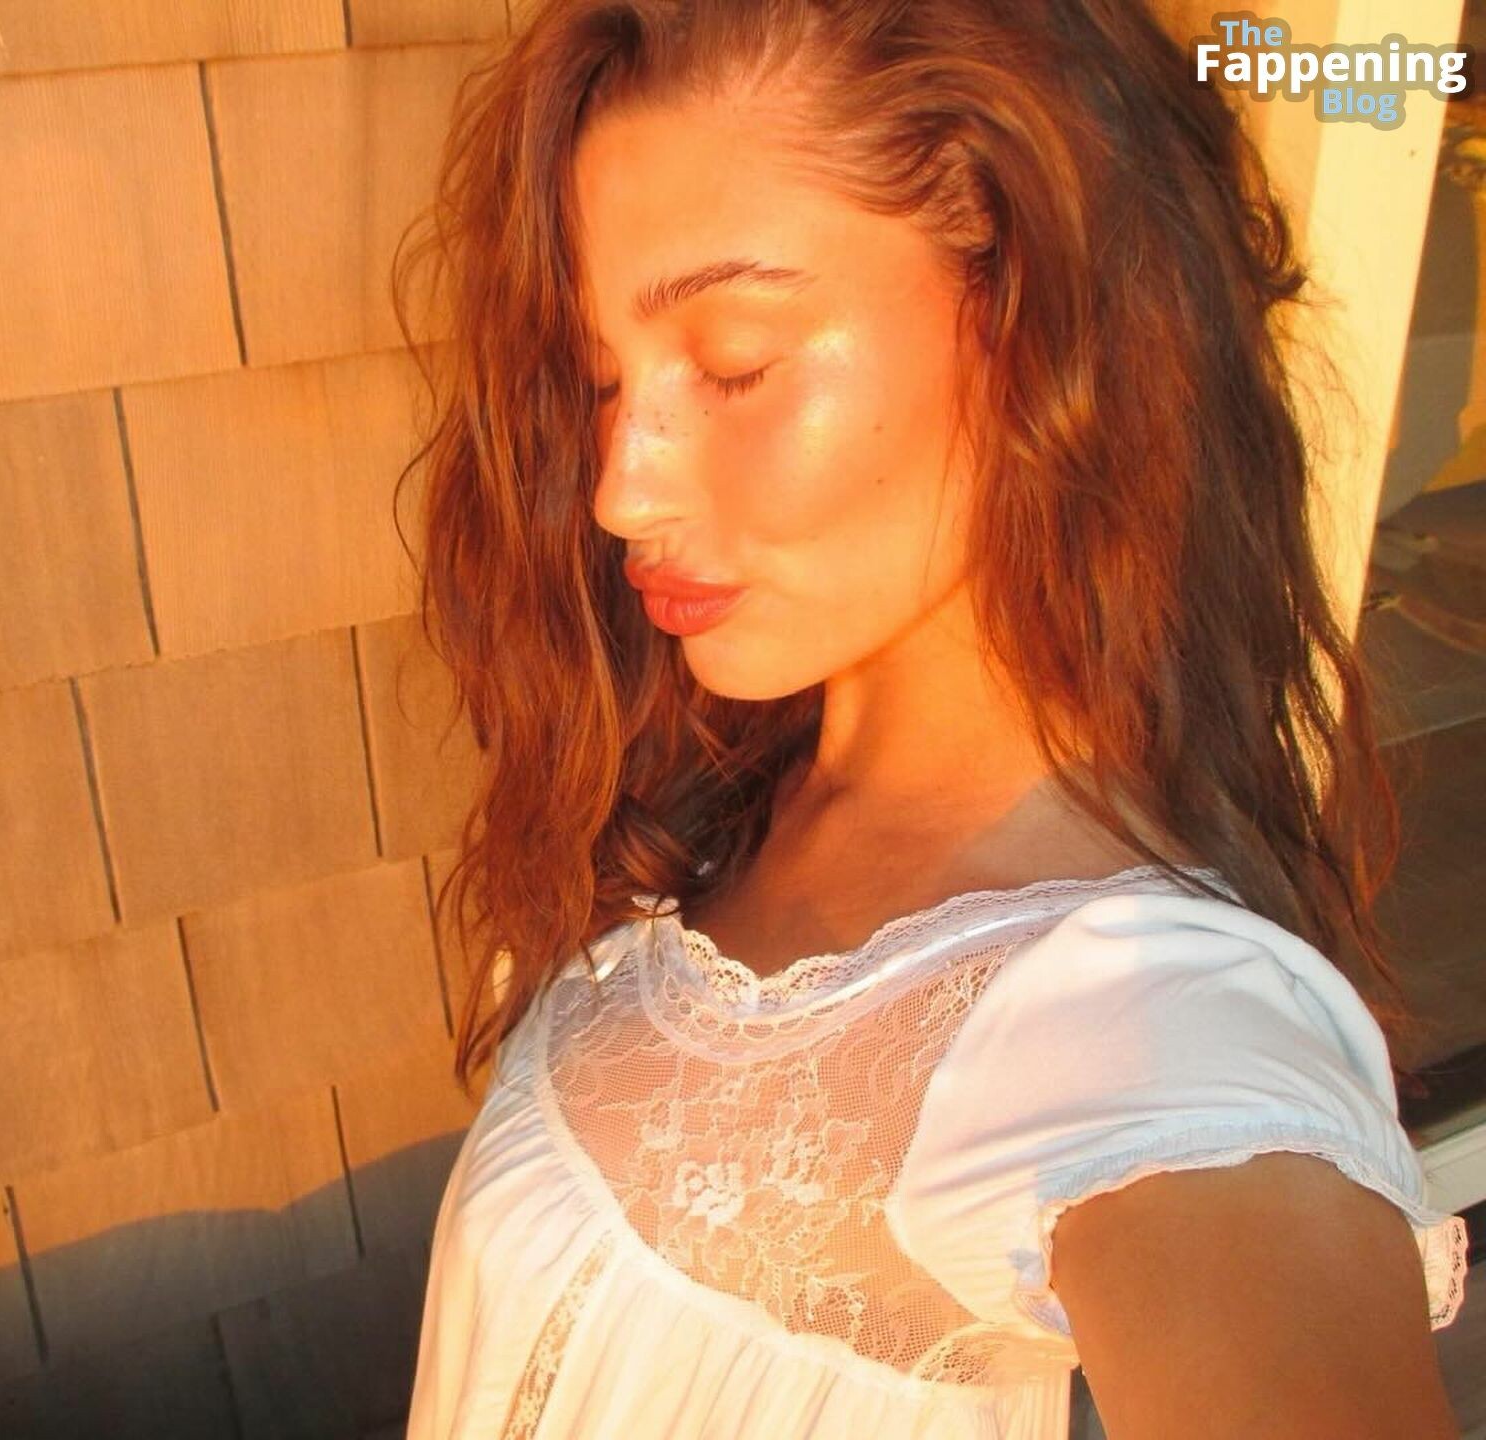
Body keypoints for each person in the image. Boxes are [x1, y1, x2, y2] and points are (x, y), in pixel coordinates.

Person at [388, 1, 1471, 1435]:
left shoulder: (1144, 1023)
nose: (619, 487)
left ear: (1043, 319)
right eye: (599, 381)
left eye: (734, 361)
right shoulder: (727, 785)